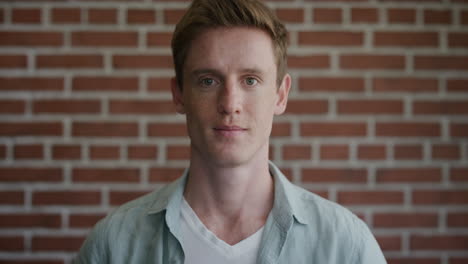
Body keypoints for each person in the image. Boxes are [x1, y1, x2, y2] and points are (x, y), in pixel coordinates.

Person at [74, 0, 387, 263]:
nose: (229, 104)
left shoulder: (345, 246)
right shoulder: (113, 246)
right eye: (208, 80)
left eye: (250, 80)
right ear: (179, 94)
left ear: (280, 95)